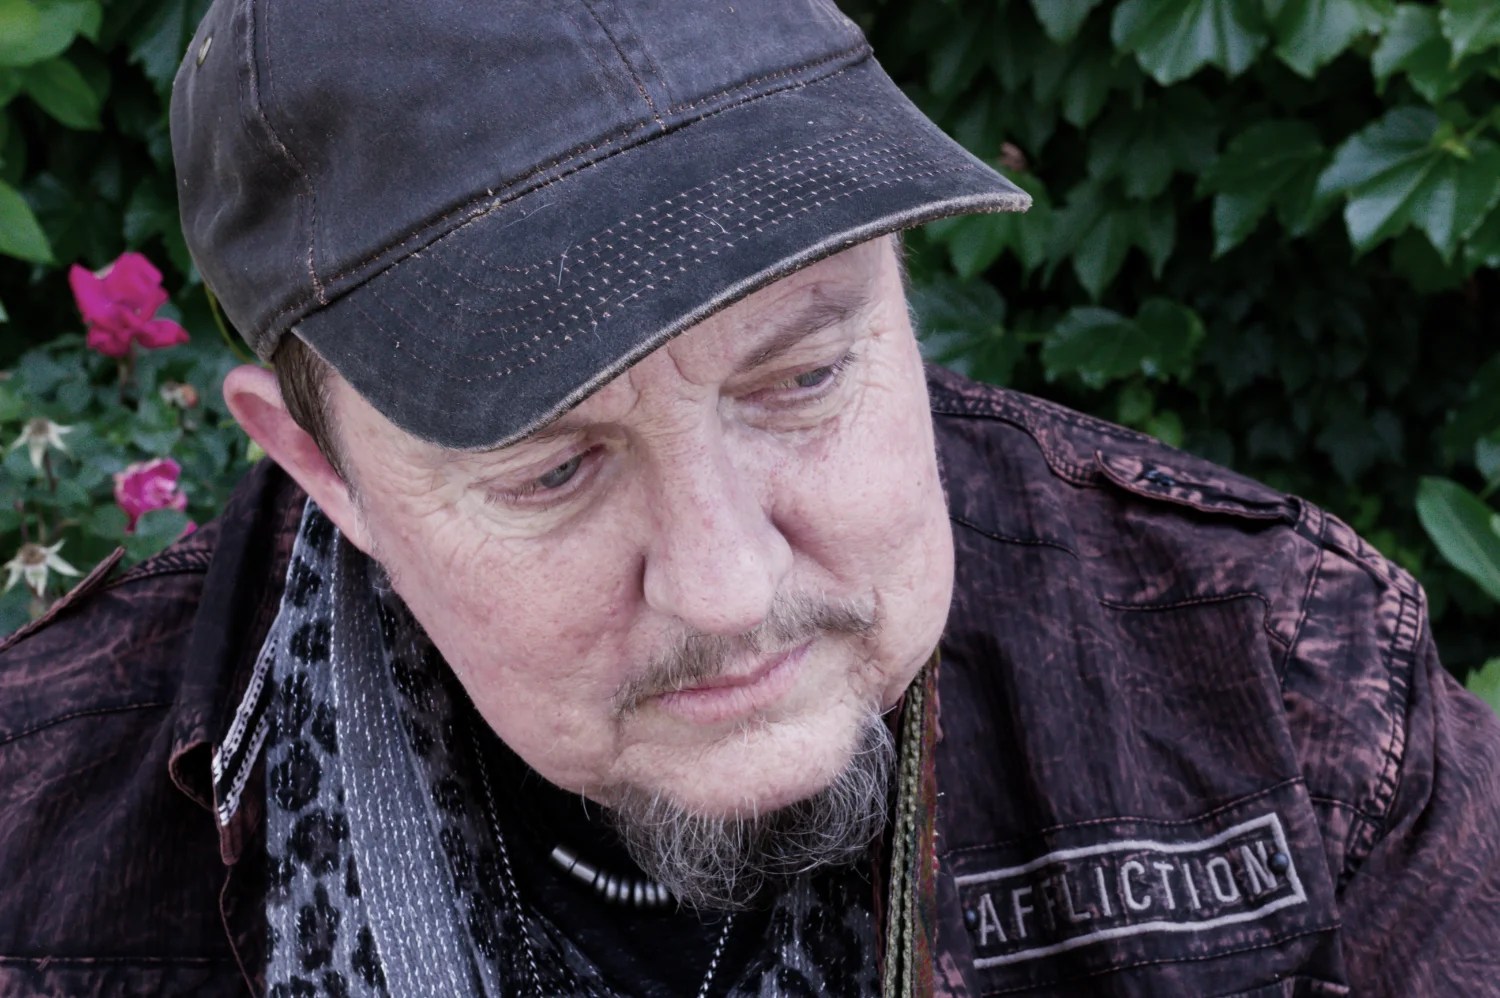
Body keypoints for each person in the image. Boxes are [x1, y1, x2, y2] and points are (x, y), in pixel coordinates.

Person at [2, 0, 1498, 995]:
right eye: (552, 465)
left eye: (798, 379)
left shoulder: (1283, 695)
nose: (724, 586)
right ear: (323, 466)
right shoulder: (39, 849)